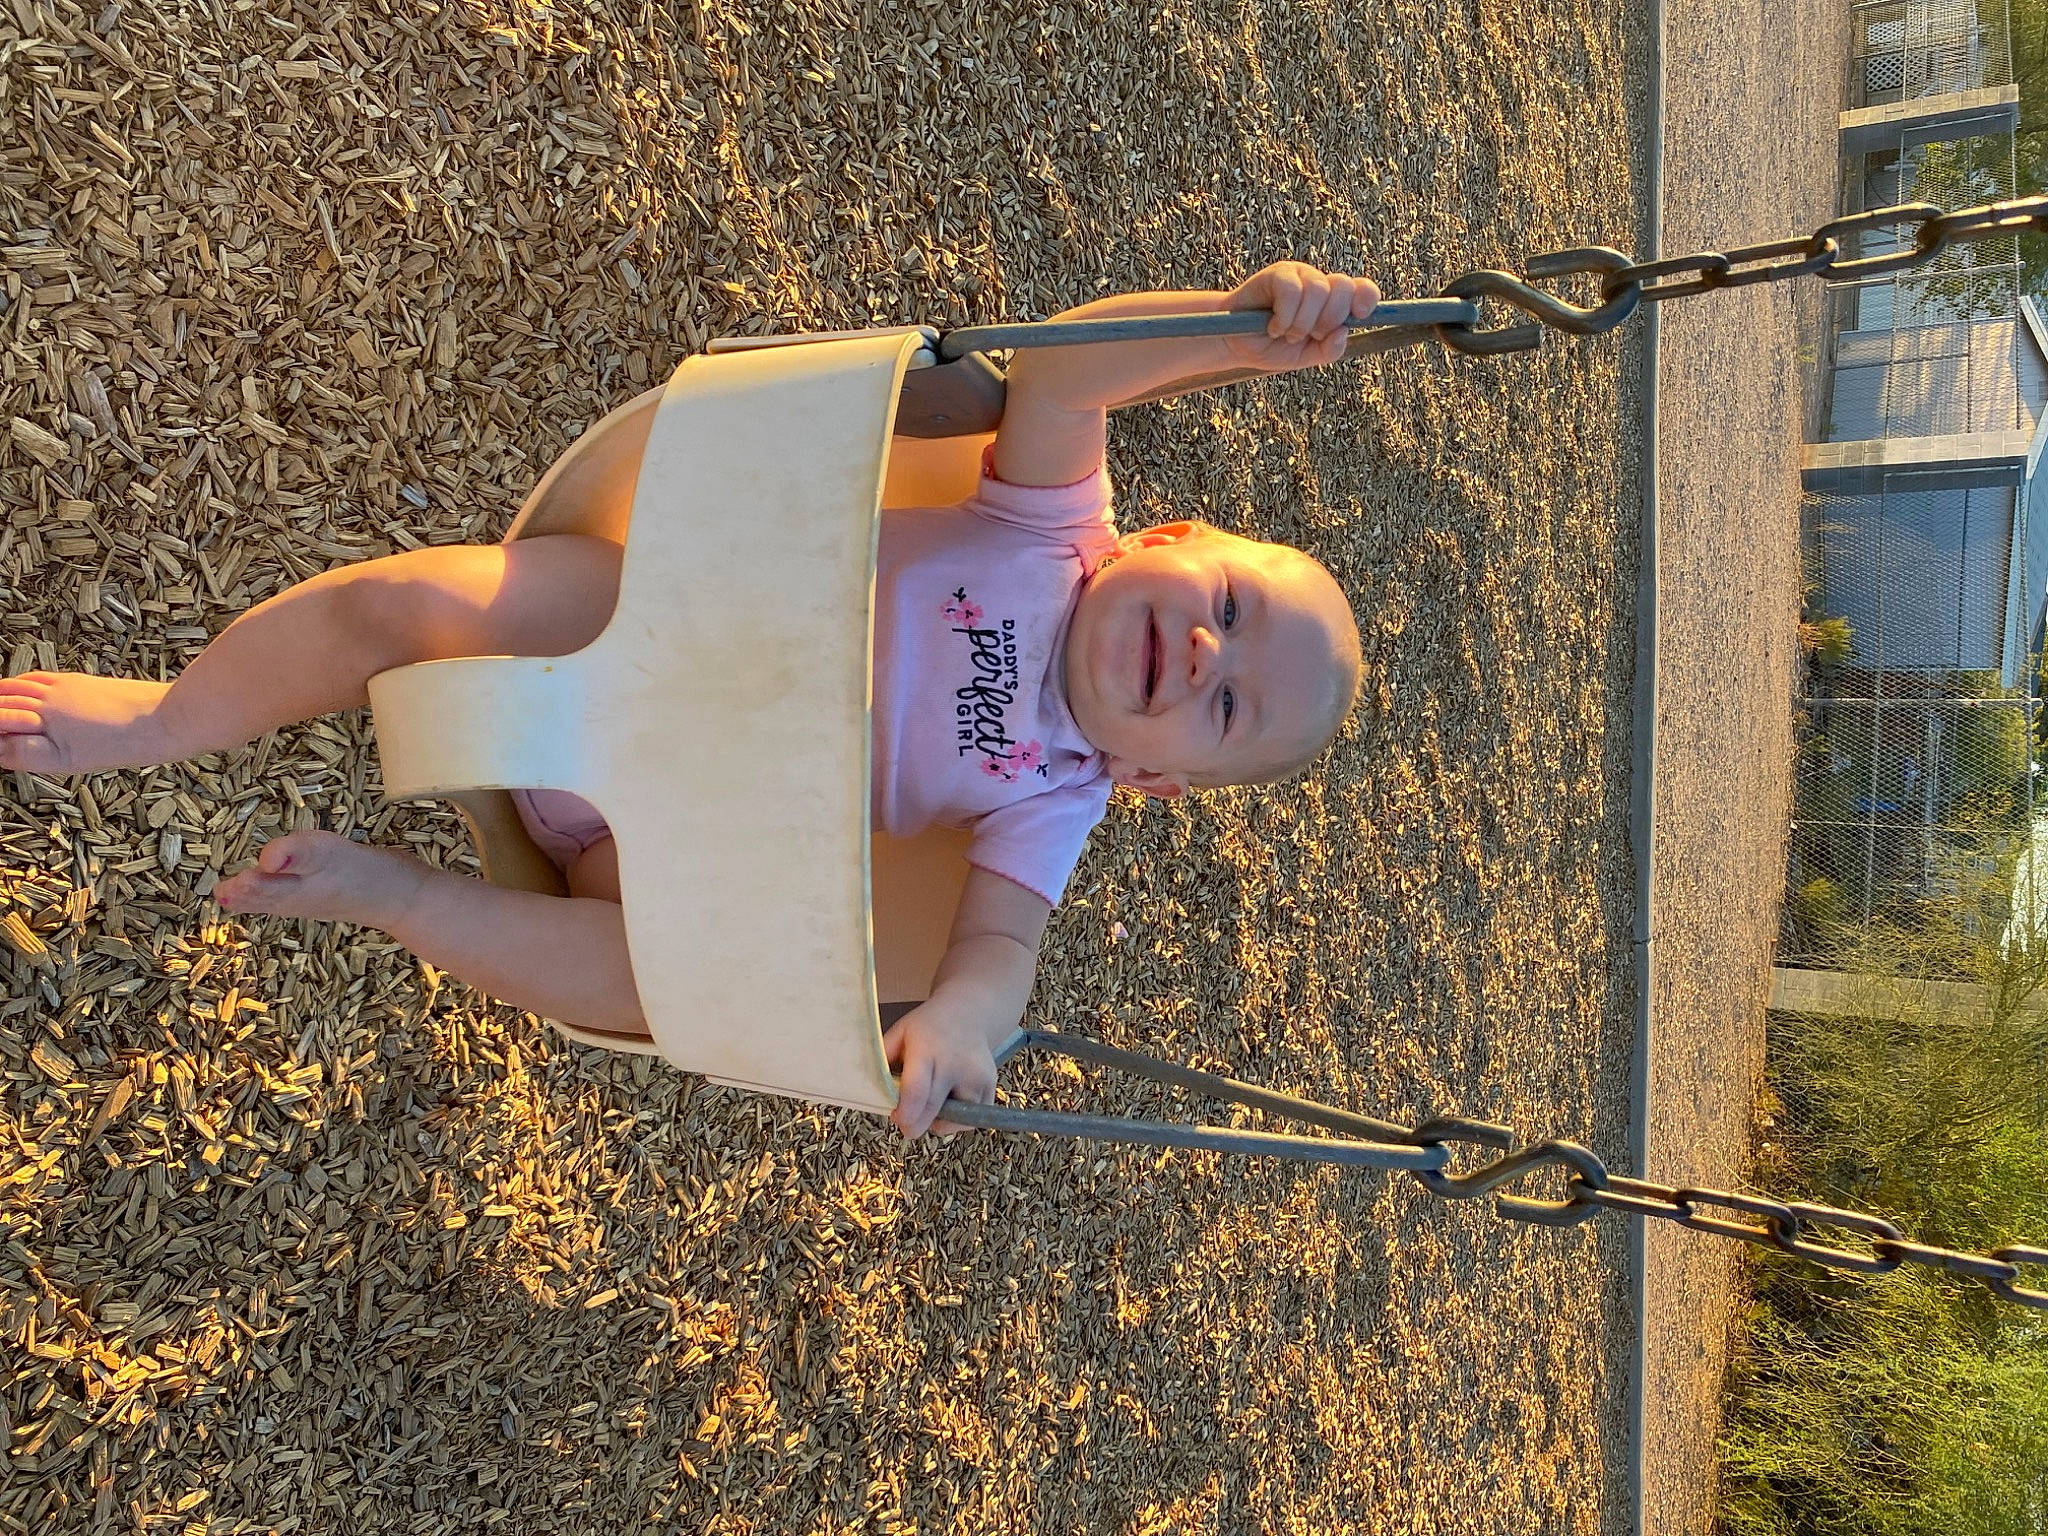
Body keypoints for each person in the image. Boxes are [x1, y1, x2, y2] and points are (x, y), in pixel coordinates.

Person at [0, 261, 1373, 1139]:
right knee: (402, 606)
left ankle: (399, 894)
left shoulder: (1055, 795)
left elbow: (999, 952)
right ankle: (163, 718)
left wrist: (958, 1025)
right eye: (1231, 611)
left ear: (1157, 782)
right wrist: (1228, 336)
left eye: (1228, 707)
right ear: (1171, 539)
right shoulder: (1049, 520)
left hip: (642, 837)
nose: (1204, 657)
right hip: (635, 611)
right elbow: (1065, 371)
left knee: (659, 987)